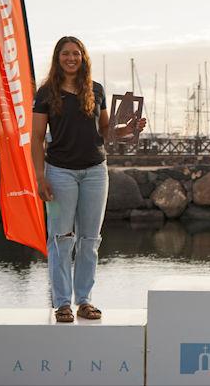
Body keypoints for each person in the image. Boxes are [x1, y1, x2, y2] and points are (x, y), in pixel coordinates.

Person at [32, 35, 146, 323]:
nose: (71, 58)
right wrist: (39, 176)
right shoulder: (46, 93)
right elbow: (35, 139)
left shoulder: (96, 90)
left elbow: (106, 131)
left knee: (90, 240)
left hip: (96, 171)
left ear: (83, 58)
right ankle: (62, 304)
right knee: (60, 239)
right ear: (58, 58)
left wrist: (129, 128)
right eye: (66, 54)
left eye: (76, 54)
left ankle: (84, 301)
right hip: (59, 172)